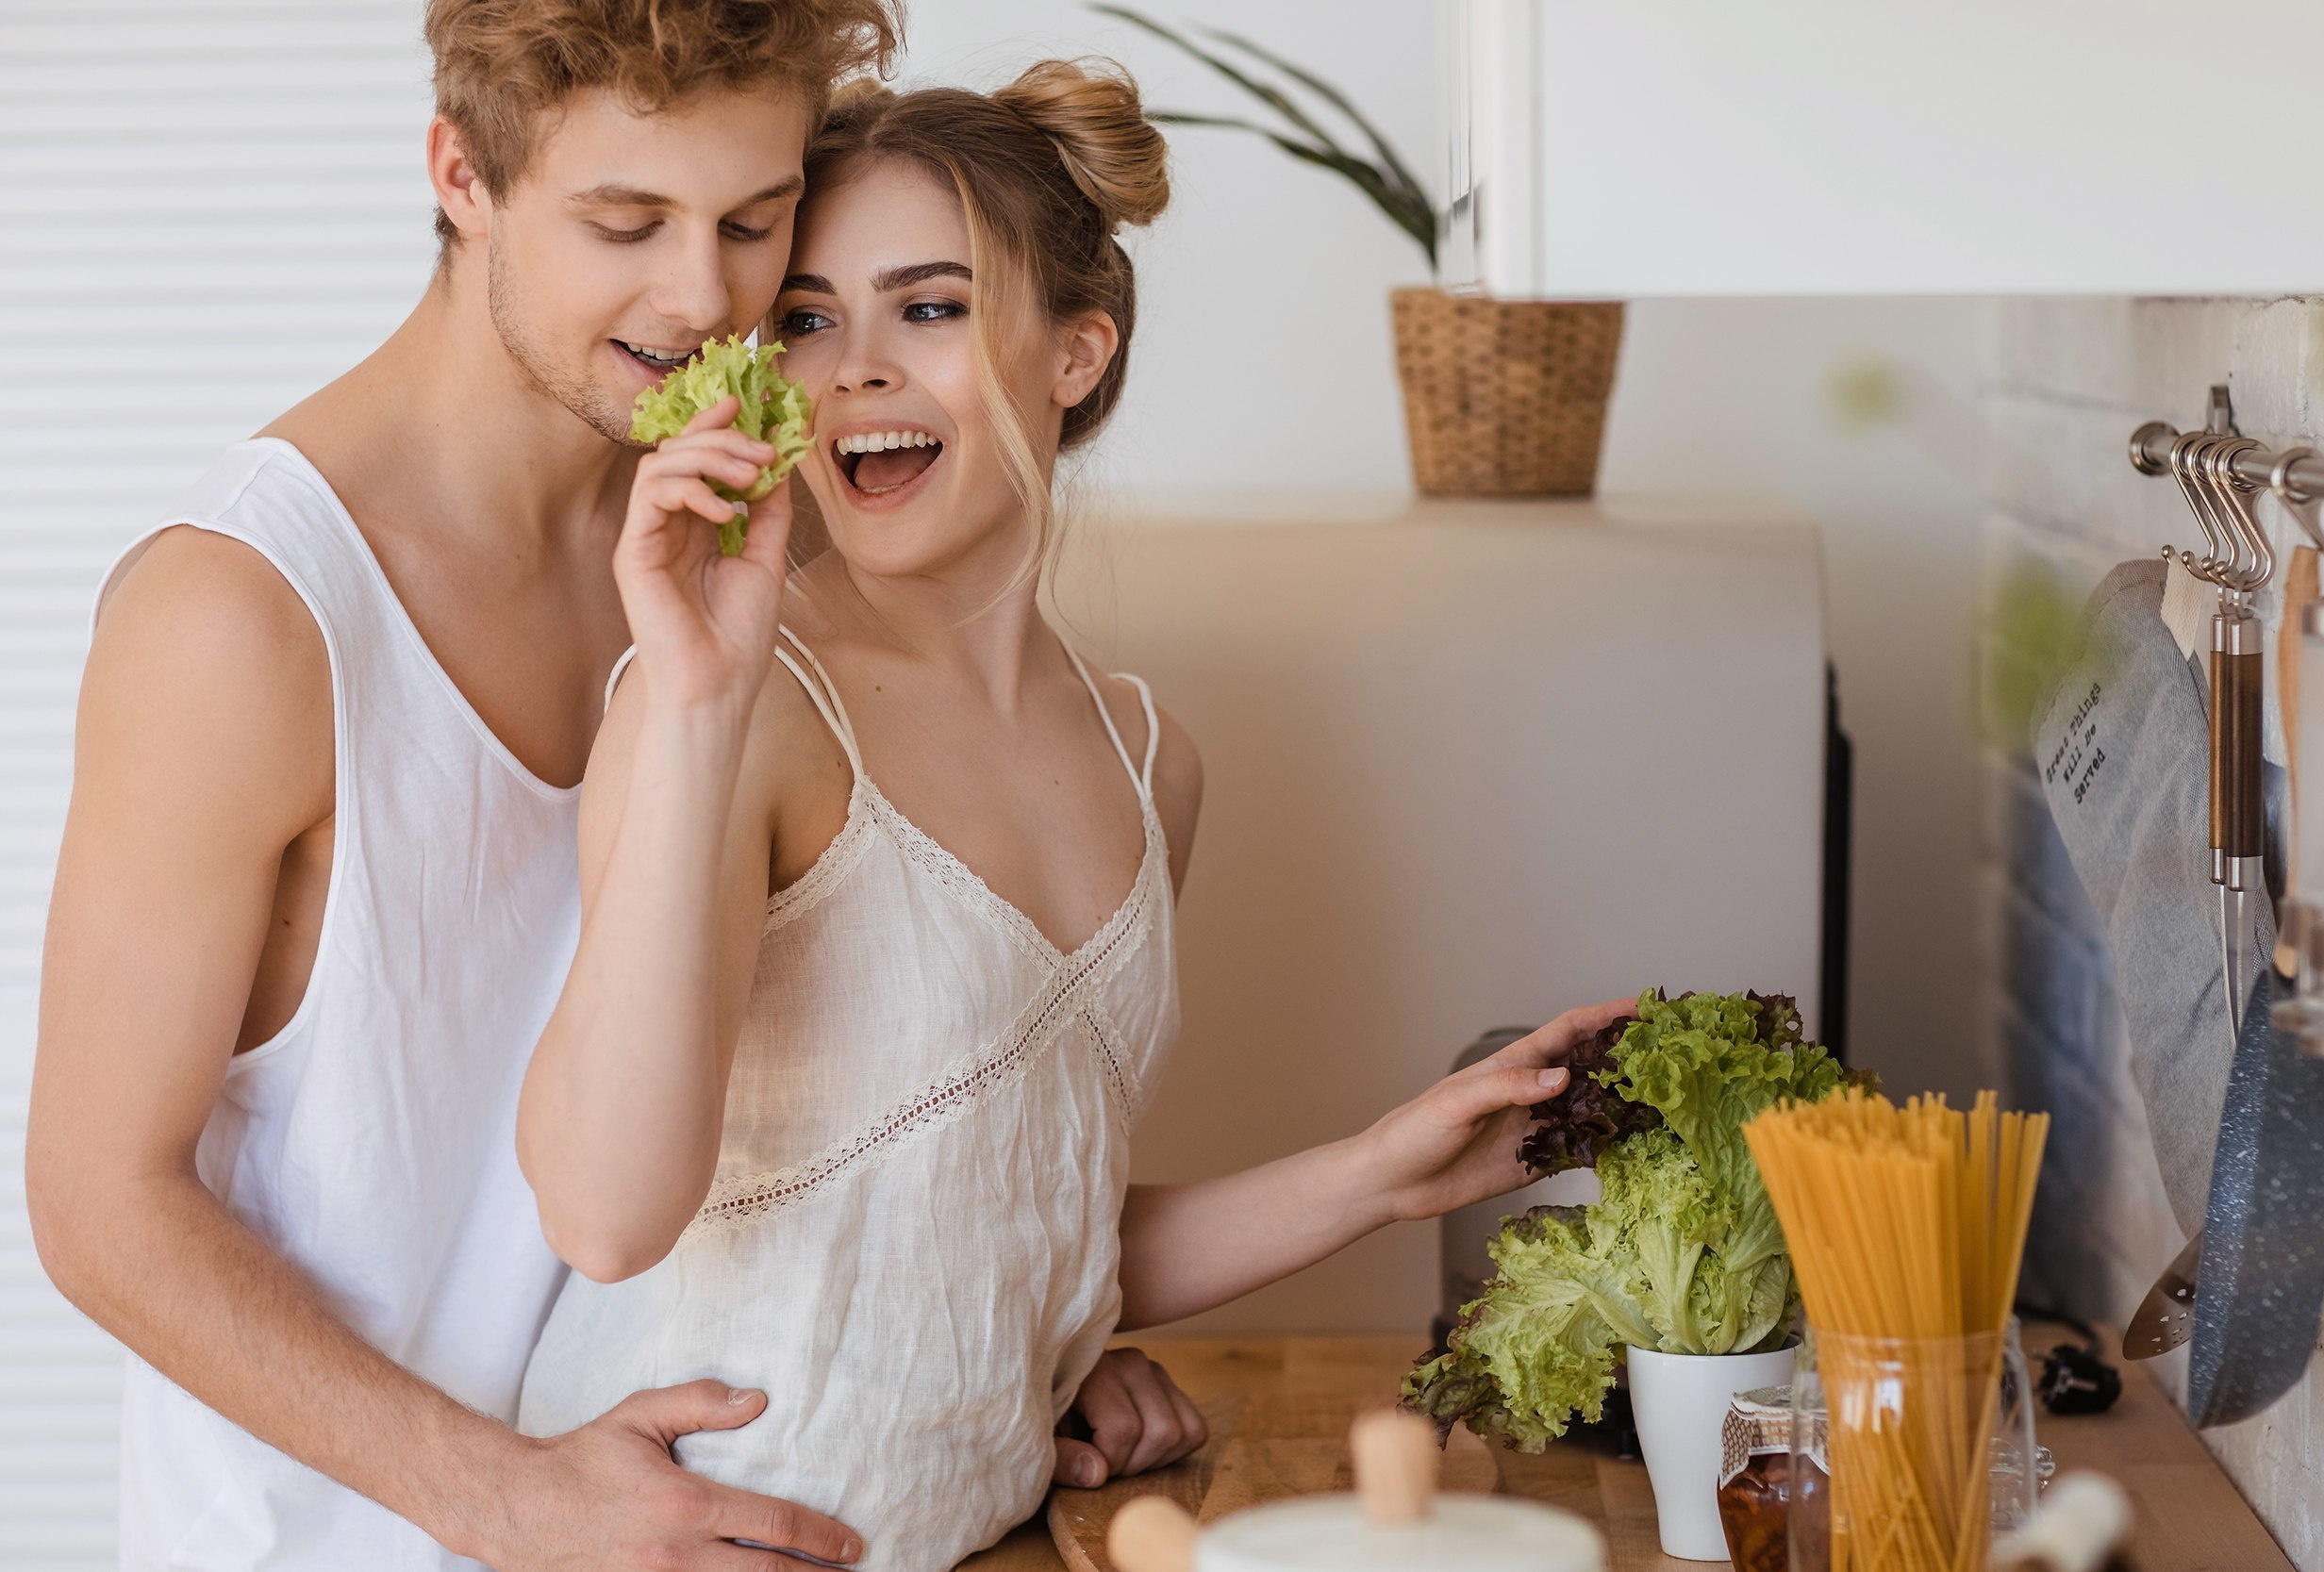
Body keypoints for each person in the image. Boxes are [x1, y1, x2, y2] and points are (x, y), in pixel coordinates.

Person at [25, 7, 1201, 1568]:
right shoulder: (243, 618)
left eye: (751, 223)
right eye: (625, 222)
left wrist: (1007, 1334)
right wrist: (510, 1500)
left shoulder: (735, 532)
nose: (700, 293)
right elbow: (99, 1206)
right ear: (462, 175)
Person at [513, 61, 1629, 1572]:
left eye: (929, 308)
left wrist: (1383, 1172)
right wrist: (699, 707)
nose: (852, 369)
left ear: (1075, 354)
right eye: (805, 318)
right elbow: (601, 1213)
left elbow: (1025, 1214)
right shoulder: (734, 698)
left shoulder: (1149, 755)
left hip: (979, 1540)